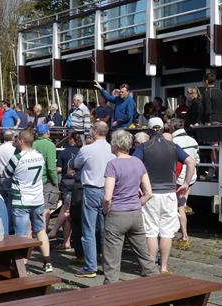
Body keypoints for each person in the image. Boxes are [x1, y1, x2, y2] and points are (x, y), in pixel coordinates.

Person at [133, 117, 194, 273]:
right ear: (164, 129)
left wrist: (136, 186)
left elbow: (133, 165)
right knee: (167, 232)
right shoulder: (173, 146)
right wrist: (186, 183)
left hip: (150, 194)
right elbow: (190, 162)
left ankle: (150, 266)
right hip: (169, 194)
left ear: (149, 130)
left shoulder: (144, 147)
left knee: (151, 232)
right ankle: (164, 267)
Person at [101, 130, 158, 284]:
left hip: (117, 214)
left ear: (116, 145)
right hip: (135, 214)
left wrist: (106, 209)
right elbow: (149, 192)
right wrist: (137, 204)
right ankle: (160, 285)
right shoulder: (138, 162)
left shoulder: (112, 165)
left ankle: (110, 297)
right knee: (145, 257)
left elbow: (107, 196)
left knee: (112, 261)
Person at [4, 129, 52, 272]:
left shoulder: (17, 158)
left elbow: (6, 174)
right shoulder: (39, 156)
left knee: (22, 234)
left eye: (18, 139)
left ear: (22, 141)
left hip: (21, 200)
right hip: (37, 198)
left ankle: (21, 265)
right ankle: (48, 262)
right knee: (40, 230)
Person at [73, 121, 115, 278]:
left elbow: (76, 165)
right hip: (108, 191)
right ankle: (107, 265)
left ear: (95, 131)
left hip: (91, 190)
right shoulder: (113, 149)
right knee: (106, 231)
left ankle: (91, 267)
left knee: (89, 230)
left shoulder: (86, 149)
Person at [168, 119, 198, 248]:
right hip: (191, 177)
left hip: (179, 177)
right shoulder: (193, 141)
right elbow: (196, 160)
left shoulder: (174, 142)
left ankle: (184, 236)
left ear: (172, 127)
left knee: (180, 207)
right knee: (182, 205)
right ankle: (182, 234)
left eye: (168, 126)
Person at [50, 133, 79, 249]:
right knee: (70, 213)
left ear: (70, 140)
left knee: (66, 209)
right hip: (78, 184)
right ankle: (66, 242)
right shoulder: (81, 152)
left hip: (66, 183)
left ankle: (55, 230)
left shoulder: (63, 152)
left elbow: (59, 169)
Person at [33, 123, 59, 231]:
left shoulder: (33, 144)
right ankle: (42, 234)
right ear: (47, 132)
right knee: (45, 209)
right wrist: (55, 181)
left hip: (33, 181)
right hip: (45, 181)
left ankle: (35, 233)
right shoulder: (50, 145)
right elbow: (51, 167)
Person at [0, 130, 17, 213]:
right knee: (11, 202)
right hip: (11, 176)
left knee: (3, 201)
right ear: (12, 137)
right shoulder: (14, 149)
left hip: (2, 176)